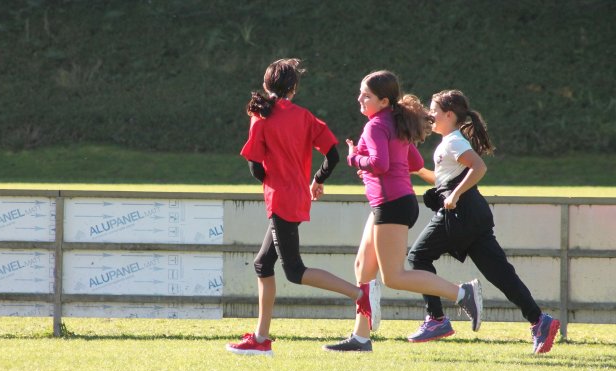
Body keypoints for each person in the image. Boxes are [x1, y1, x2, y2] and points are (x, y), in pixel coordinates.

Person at [225, 58, 380, 356]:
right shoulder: (304, 116)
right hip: (297, 197)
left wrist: (271, 178)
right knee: (262, 264)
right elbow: (333, 155)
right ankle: (261, 338)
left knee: (294, 271)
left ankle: (360, 294)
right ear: (293, 89)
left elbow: (254, 165)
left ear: (266, 84)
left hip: (281, 200)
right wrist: (317, 179)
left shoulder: (261, 115)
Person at [323, 71, 482, 352]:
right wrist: (372, 167)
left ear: (384, 101)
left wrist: (355, 158)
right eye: (361, 93)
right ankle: (361, 337)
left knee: (393, 277)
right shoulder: (394, 121)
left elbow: (380, 164)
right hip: (392, 202)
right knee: (363, 267)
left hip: (391, 204)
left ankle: (462, 293)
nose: (360, 99)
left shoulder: (375, 126)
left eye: (366, 96)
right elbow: (413, 162)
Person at [406, 89, 560, 354]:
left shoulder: (453, 141)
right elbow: (444, 179)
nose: (430, 115)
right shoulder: (450, 142)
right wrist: (418, 170)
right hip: (473, 214)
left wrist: (455, 194)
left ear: (449, 115)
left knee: (417, 257)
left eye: (434, 110)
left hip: (460, 214)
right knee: (501, 274)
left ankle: (436, 319)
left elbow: (479, 167)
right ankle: (539, 320)